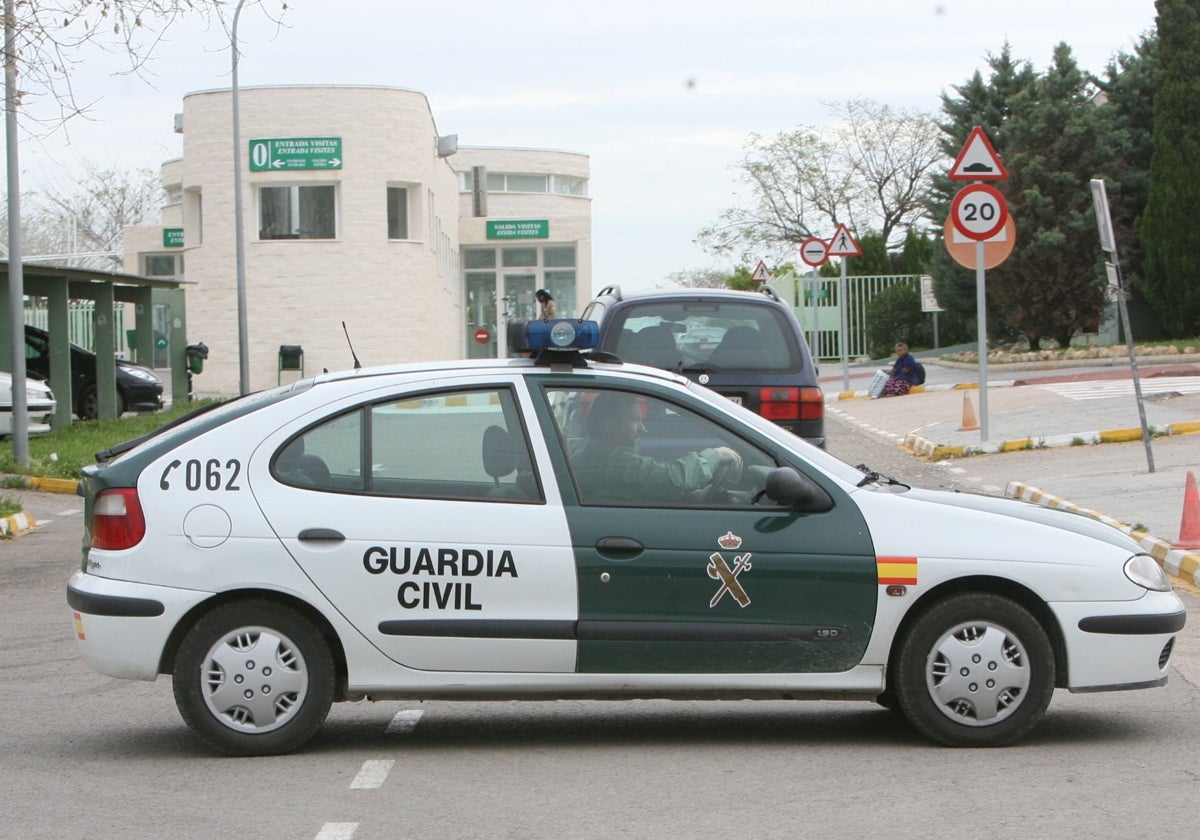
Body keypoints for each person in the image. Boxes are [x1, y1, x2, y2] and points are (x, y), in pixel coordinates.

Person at [570, 391, 742, 503]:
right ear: (608, 423)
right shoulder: (614, 459)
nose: (643, 429)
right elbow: (673, 480)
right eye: (635, 420)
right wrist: (715, 456)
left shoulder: (586, 449)